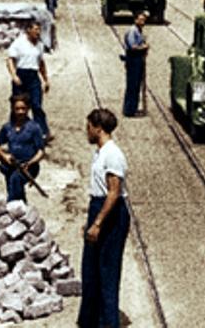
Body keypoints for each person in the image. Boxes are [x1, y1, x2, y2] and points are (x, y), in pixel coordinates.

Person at [78, 108, 130, 328]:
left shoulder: (113, 154)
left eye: (88, 126)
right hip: (98, 208)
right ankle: (90, 321)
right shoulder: (99, 152)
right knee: (90, 270)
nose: (86, 131)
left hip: (111, 214)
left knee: (107, 271)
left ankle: (108, 323)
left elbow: (113, 192)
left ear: (98, 128)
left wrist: (98, 223)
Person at [0, 94, 46, 203]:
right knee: (13, 187)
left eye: (23, 109)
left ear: (28, 109)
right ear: (12, 109)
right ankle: (21, 208)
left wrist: (30, 163)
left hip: (28, 167)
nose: (20, 112)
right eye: (17, 109)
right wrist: (4, 156)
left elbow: (41, 151)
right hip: (11, 165)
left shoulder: (34, 128)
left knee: (15, 180)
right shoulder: (8, 127)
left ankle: (11, 207)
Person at [8, 22, 52, 141]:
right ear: (28, 30)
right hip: (21, 75)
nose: (38, 32)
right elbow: (10, 60)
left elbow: (41, 63)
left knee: (36, 105)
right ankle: (14, 130)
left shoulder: (39, 45)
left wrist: (46, 79)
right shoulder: (19, 43)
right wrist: (14, 76)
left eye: (39, 30)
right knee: (18, 105)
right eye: (35, 29)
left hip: (33, 76)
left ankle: (43, 132)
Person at [122, 12, 149, 117]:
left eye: (144, 20)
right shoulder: (132, 31)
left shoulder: (138, 31)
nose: (143, 22)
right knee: (132, 85)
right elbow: (133, 46)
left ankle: (133, 109)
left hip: (138, 60)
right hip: (133, 60)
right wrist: (144, 47)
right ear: (135, 20)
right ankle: (129, 110)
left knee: (137, 85)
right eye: (141, 20)